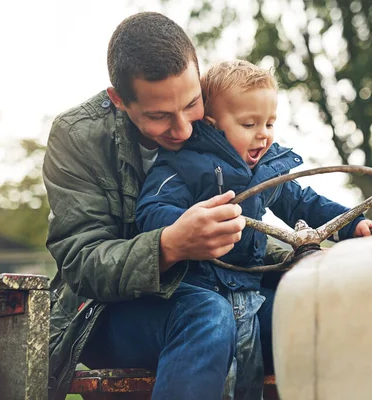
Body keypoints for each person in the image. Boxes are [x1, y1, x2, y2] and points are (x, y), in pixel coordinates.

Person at [43, 12, 291, 400]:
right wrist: (169, 244)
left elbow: (247, 219)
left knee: (308, 309)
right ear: (119, 100)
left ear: (198, 76)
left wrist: (301, 255)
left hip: (223, 287)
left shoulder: (221, 114)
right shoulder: (77, 137)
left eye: (191, 105)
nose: (185, 130)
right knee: (208, 314)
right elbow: (81, 264)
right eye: (159, 116)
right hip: (111, 311)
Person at [135, 60, 372, 398]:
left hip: (249, 292)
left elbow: (303, 202)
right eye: (249, 123)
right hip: (195, 288)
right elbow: (150, 212)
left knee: (310, 315)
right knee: (210, 323)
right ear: (212, 124)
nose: (263, 133)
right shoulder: (183, 165)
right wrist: (184, 226)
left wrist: (353, 222)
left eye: (269, 122)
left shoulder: (268, 169)